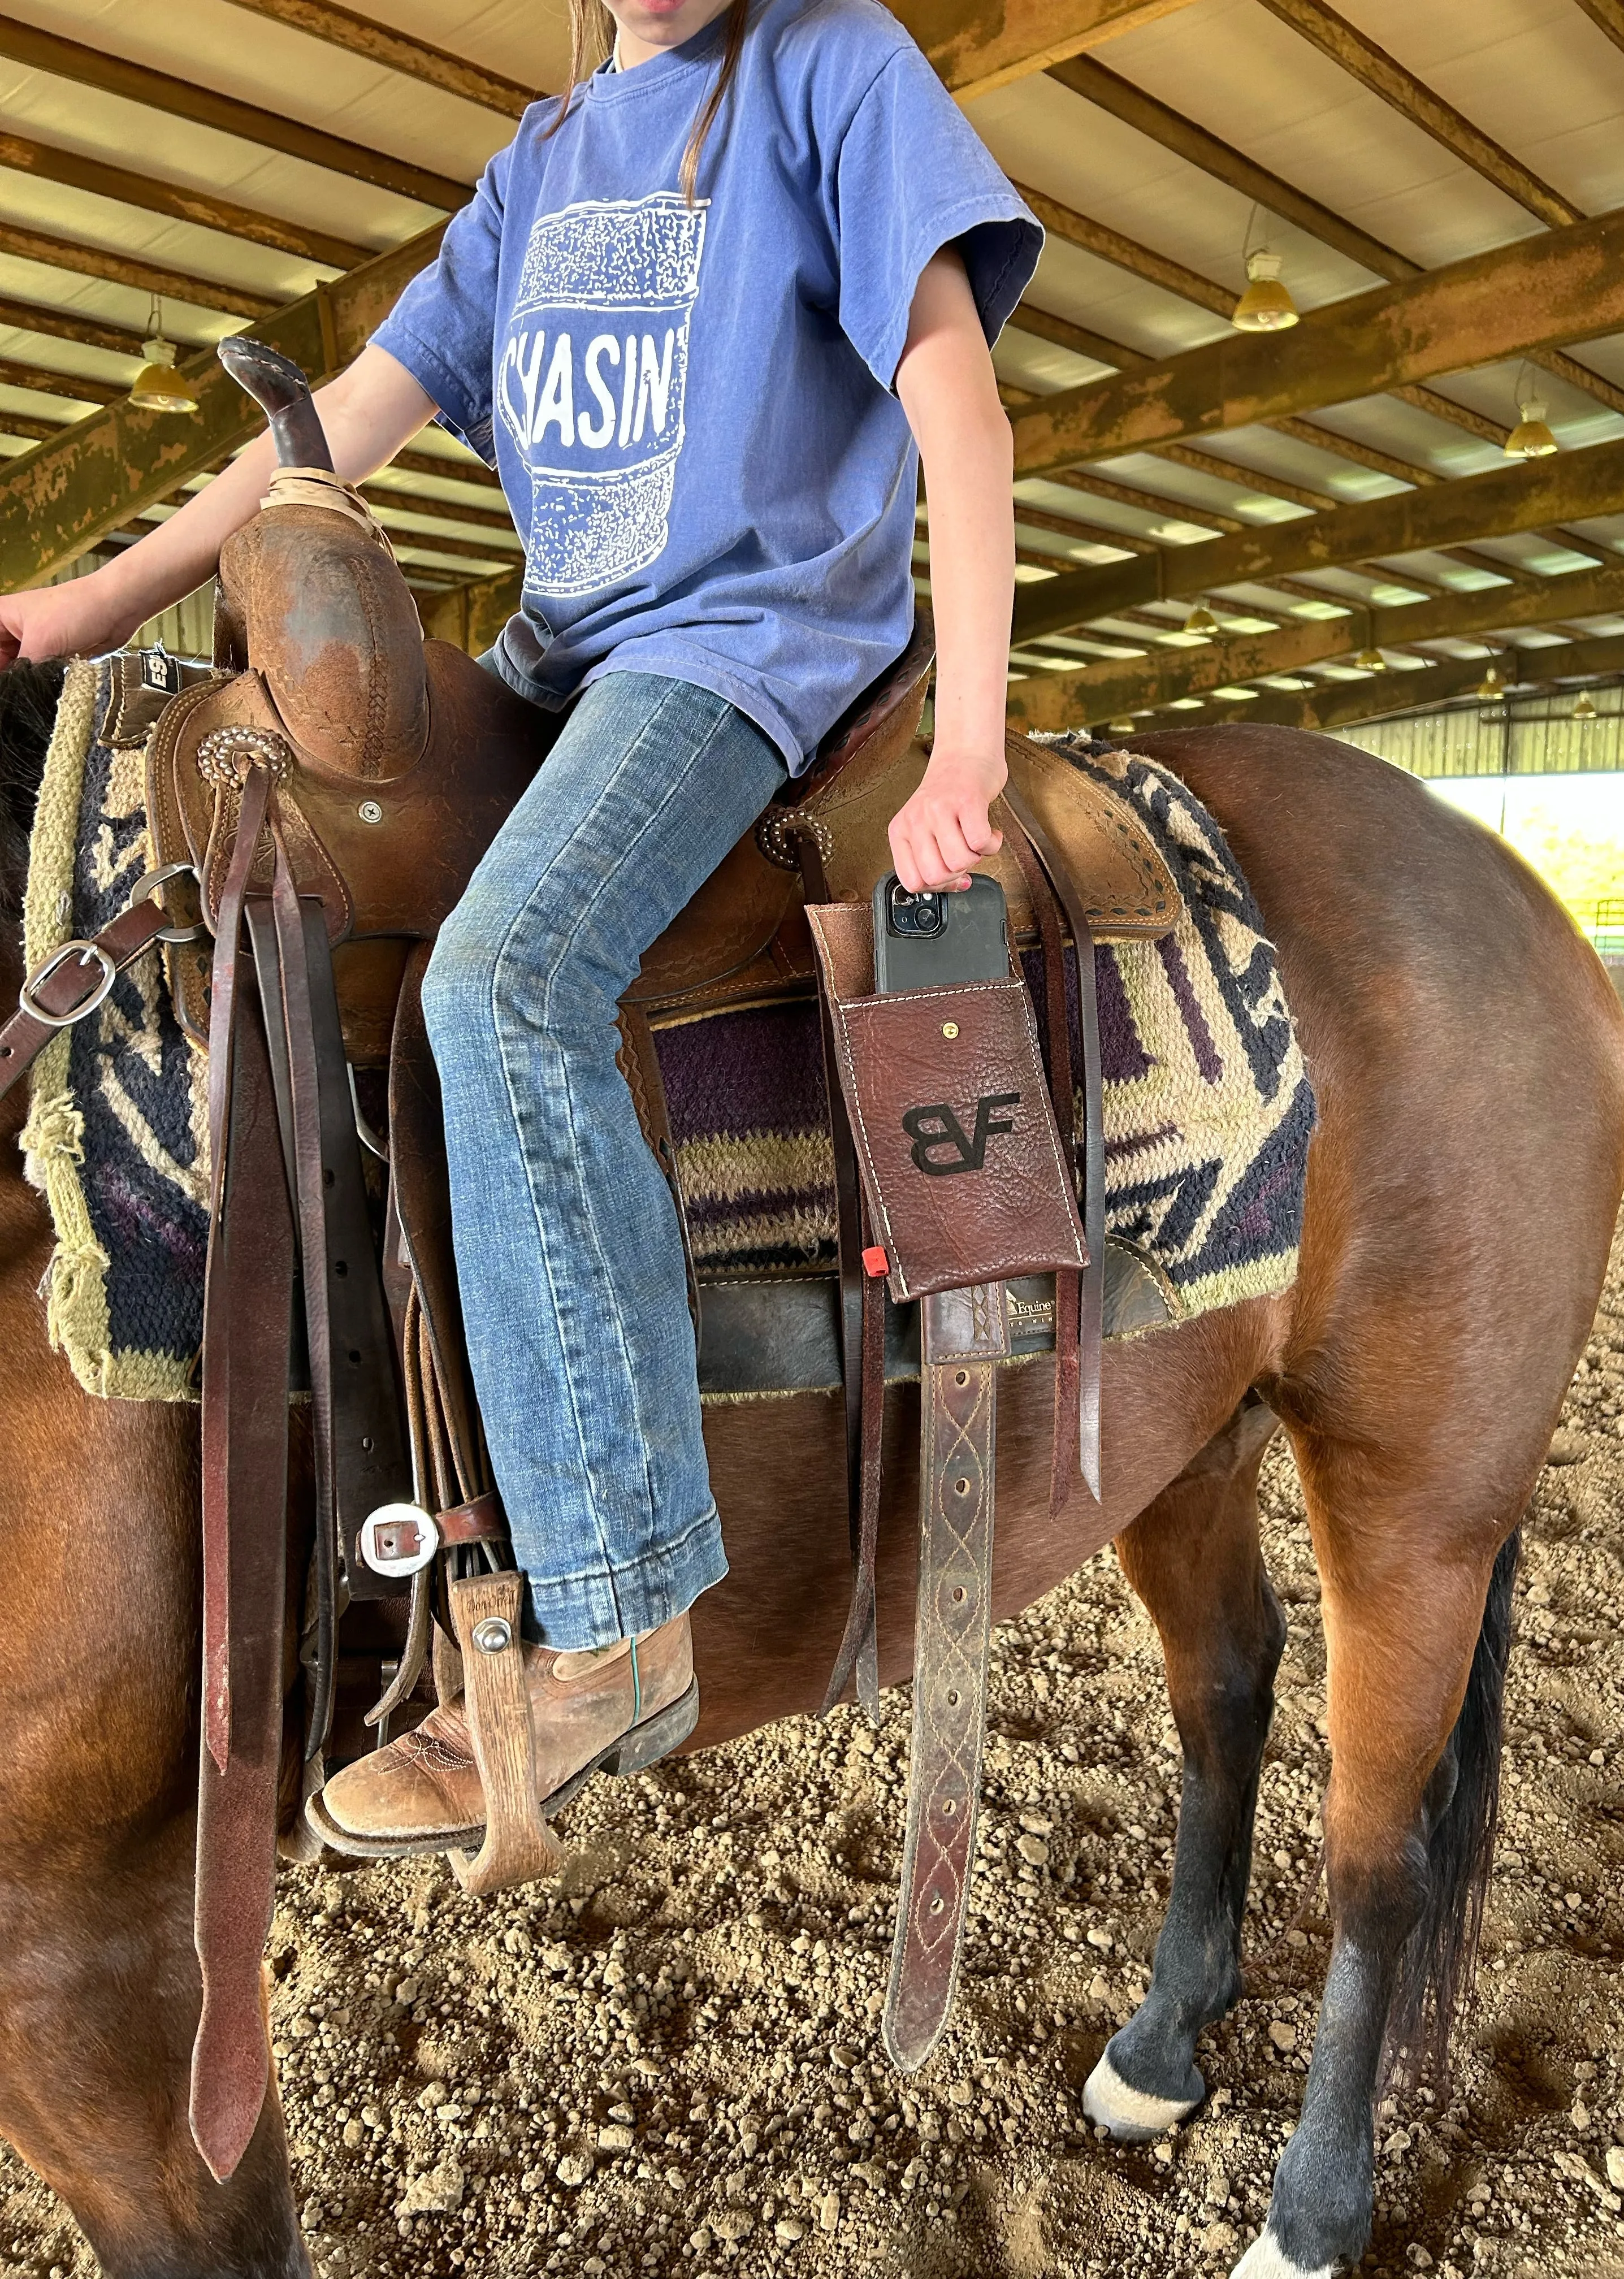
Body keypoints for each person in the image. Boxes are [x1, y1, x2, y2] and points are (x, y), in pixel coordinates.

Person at [0, 0, 1040, 1855]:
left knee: (504, 986)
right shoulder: (536, 171)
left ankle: (620, 1608)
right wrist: (102, 597)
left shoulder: (832, 69)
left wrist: (968, 732)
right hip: (559, 669)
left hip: (736, 653)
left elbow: (953, 397)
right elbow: (330, 450)